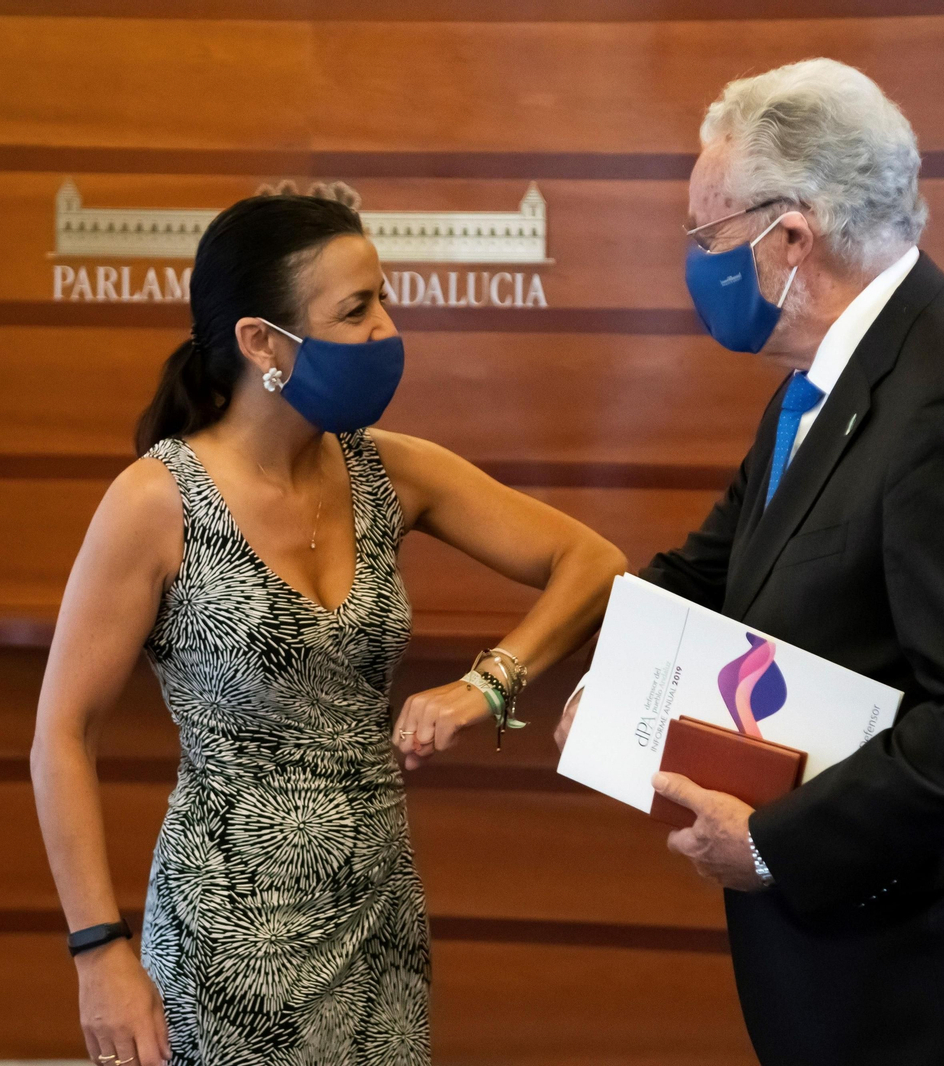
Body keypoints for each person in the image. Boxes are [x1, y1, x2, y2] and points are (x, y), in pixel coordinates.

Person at [557, 59, 944, 1066]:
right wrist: (614, 674)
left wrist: (768, 844)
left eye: (705, 235)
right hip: (883, 972)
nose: (695, 262)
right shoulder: (824, 379)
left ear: (789, 237)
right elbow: (713, 566)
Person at [31, 191, 625, 1066]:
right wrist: (97, 951)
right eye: (356, 309)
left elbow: (594, 564)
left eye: (383, 299)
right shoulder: (155, 501)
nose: (386, 329)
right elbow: (61, 734)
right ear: (262, 344)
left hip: (379, 918)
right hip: (223, 933)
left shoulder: (388, 468)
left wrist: (488, 684)